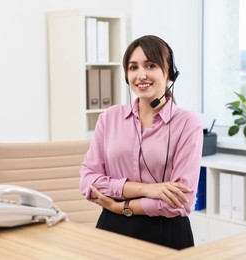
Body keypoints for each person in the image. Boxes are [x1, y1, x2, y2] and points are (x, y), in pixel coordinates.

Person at [80, 35, 203, 250]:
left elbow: (181, 201)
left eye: (151, 65)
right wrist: (148, 190)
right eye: (133, 67)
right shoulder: (110, 118)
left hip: (166, 234)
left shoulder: (187, 123)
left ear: (169, 73)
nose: (141, 75)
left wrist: (121, 207)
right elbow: (88, 182)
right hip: (111, 232)